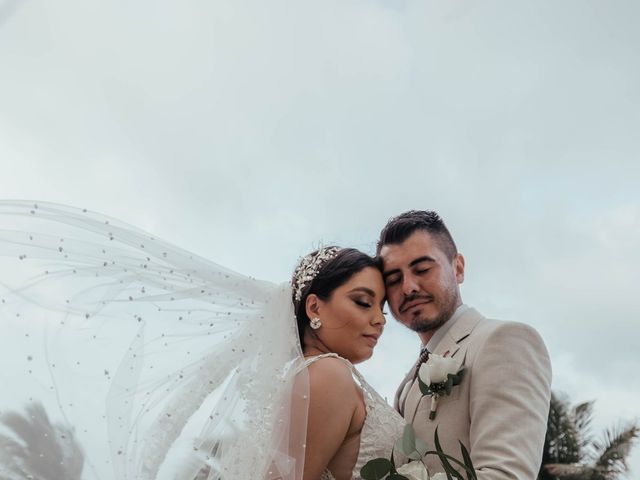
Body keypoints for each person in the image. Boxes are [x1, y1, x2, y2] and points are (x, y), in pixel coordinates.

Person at [0, 201, 404, 480]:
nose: (378, 320)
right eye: (363, 302)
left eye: (382, 308)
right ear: (314, 307)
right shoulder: (329, 375)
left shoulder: (315, 377)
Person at [377, 210, 552, 480]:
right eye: (393, 279)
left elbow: (505, 475)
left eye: (422, 269)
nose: (409, 287)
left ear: (458, 268)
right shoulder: (408, 381)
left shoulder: (503, 340)